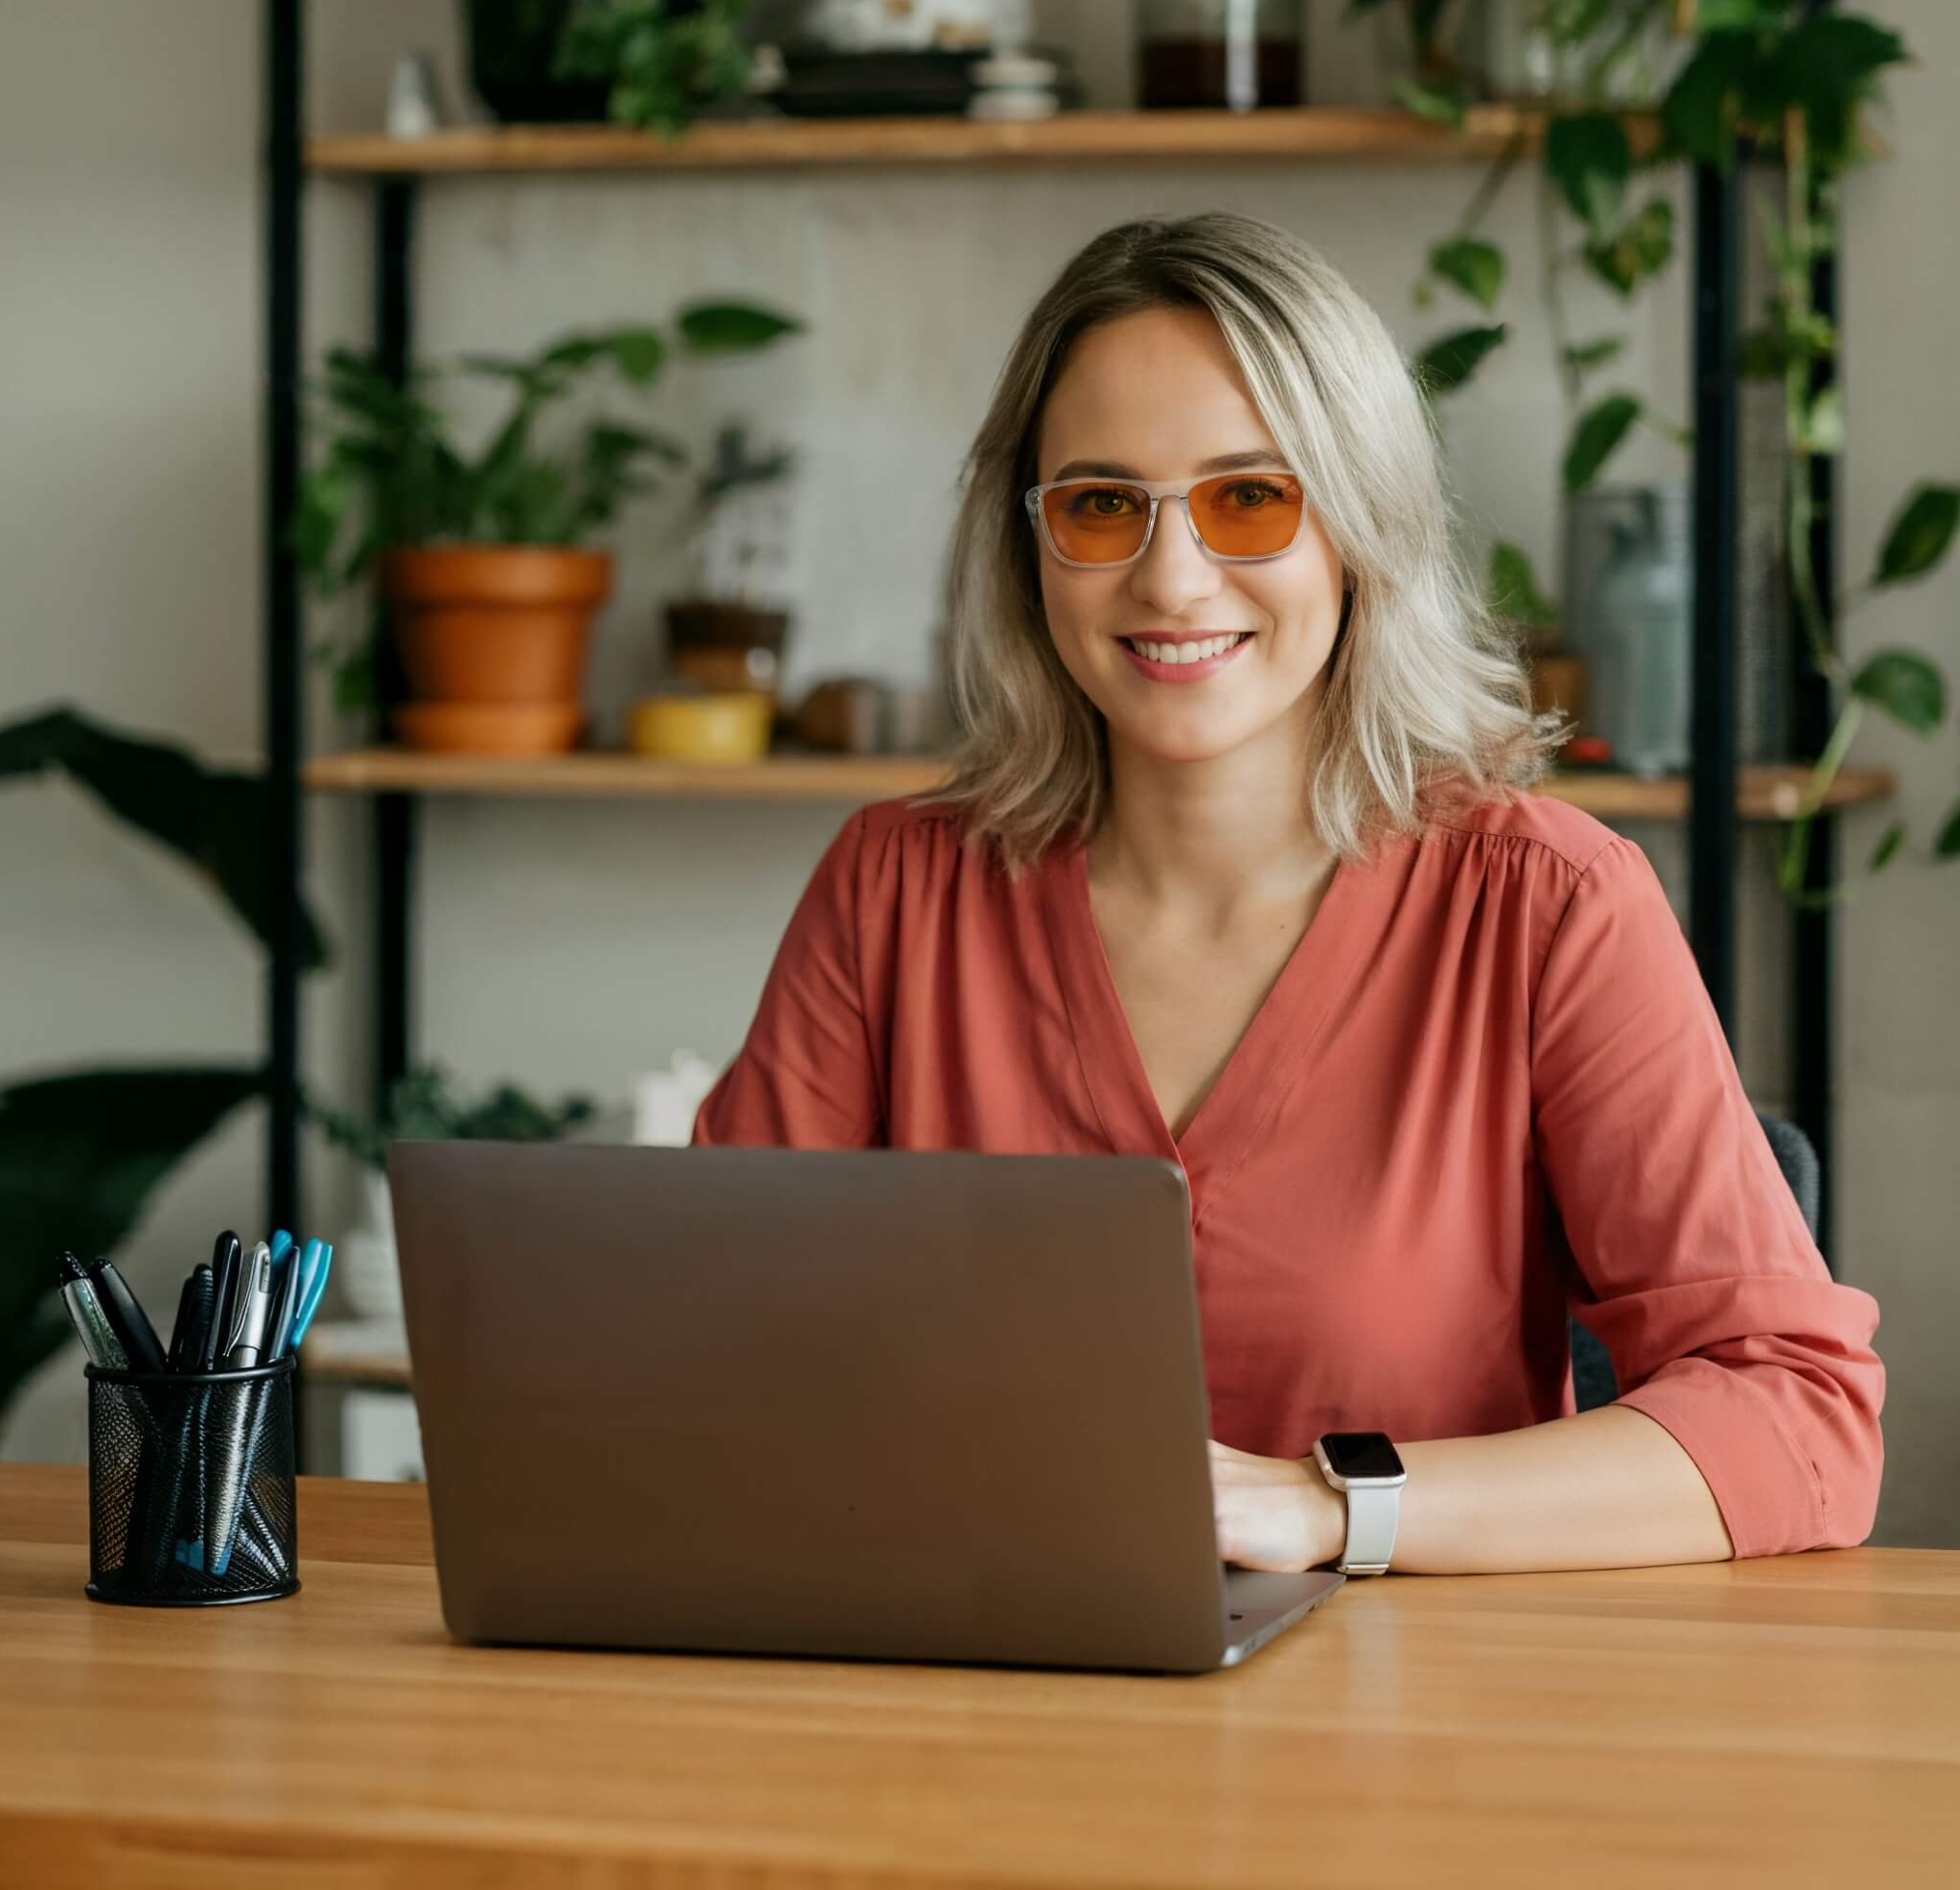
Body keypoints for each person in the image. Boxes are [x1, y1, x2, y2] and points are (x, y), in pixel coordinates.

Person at [693, 212, 1883, 1574]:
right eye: (1100, 504)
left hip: (1419, 1743)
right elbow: (723, 1352)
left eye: (1249, 499)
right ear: (1031, 544)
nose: (1170, 577)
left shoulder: (1550, 905)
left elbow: (1800, 1416)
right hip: (972, 1713)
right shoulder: (895, 892)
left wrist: (1329, 1508)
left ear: (1359, 531)